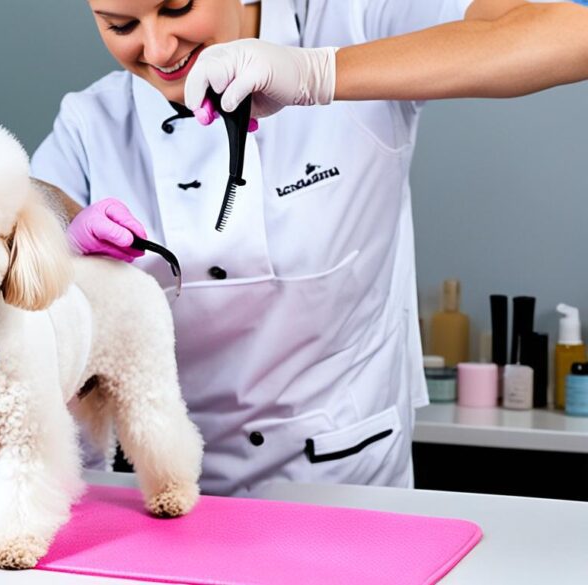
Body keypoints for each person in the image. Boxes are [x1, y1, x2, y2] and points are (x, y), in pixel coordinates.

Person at [30, 0, 588, 497]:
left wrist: (320, 72)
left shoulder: (354, 19)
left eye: (178, 8)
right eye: (120, 24)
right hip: (174, 490)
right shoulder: (93, 121)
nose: (157, 48)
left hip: (345, 482)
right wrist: (59, 227)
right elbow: (19, 218)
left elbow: (572, 34)